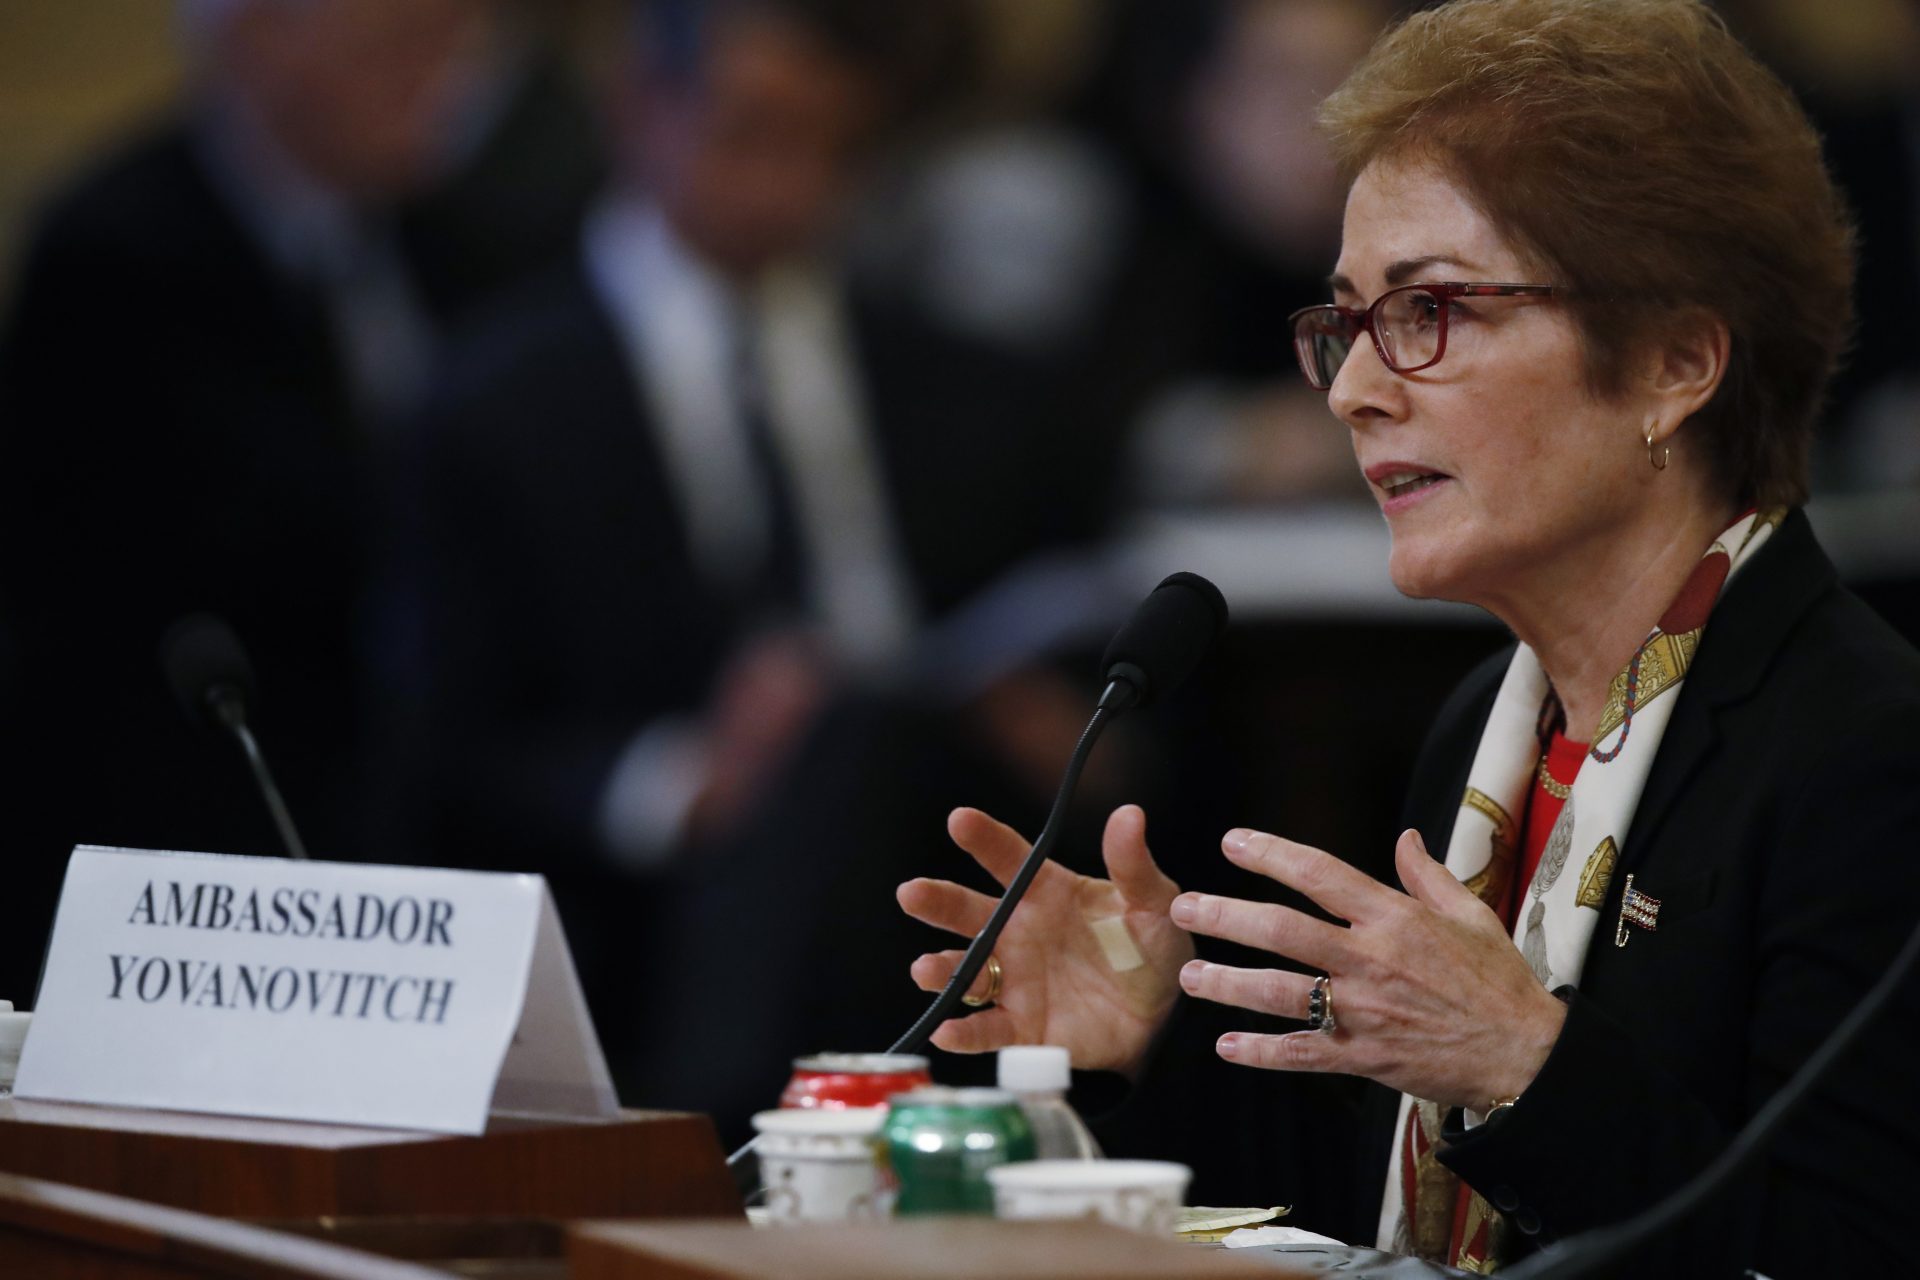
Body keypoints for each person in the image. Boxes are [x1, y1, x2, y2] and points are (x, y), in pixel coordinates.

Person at [898, 0, 1920, 1273]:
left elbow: (1847, 1253)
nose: (1351, 388)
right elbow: (1388, 1231)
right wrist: (1141, 1044)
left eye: (1429, 312)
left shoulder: (1869, 757)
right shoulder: (1485, 734)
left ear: (1673, 360)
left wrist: (1523, 1062)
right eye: (1346, 323)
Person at [0, 0, 602, 1000]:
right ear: (258, 38)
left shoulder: (466, 238)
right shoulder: (115, 249)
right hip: (195, 839)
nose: (445, 84)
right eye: (402, 45)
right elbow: (115, 612)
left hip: (426, 794)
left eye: (458, 47)